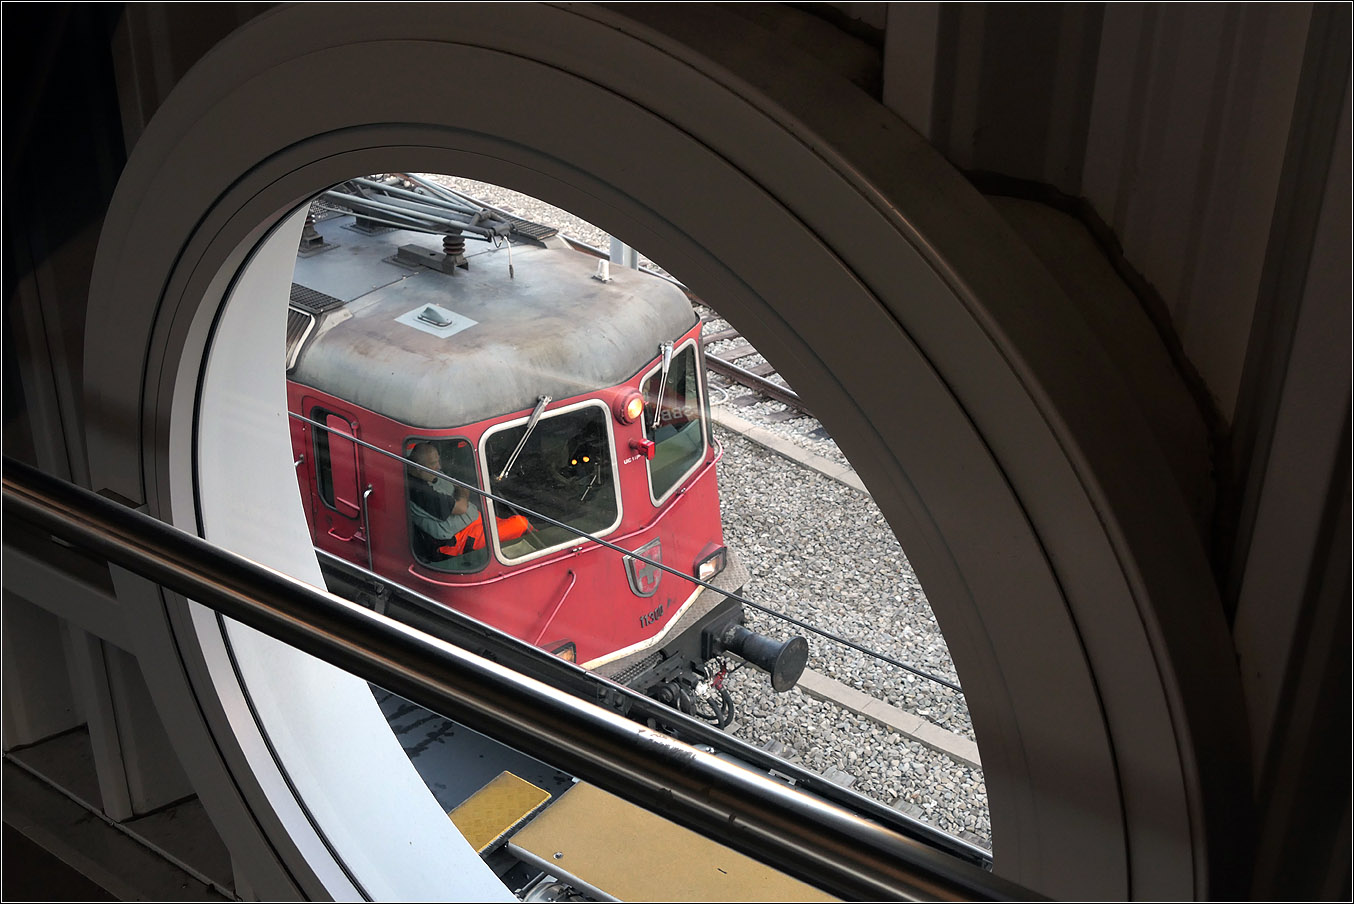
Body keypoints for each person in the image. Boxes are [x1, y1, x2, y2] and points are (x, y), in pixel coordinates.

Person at [407, 442, 480, 560]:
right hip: (457, 540)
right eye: (433, 463)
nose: (439, 467)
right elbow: (461, 507)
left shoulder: (423, 474)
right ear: (418, 467)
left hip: (471, 521)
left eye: (438, 461)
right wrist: (463, 492)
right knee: (519, 524)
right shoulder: (420, 492)